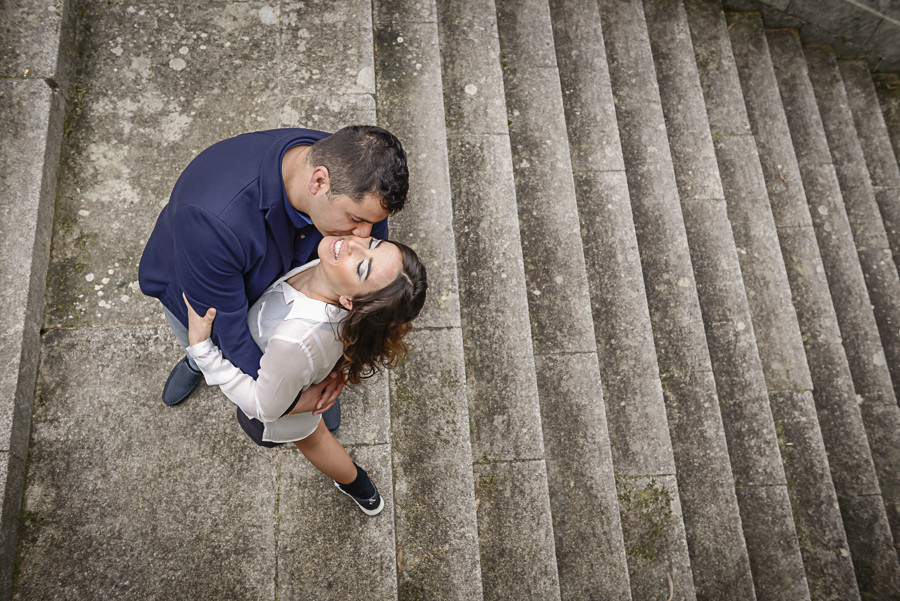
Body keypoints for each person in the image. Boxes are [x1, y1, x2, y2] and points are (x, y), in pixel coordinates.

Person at [139, 126, 409, 432]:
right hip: (207, 298)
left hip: (287, 285)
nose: (364, 236)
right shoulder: (212, 223)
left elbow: (365, 286)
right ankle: (194, 362)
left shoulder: (358, 173)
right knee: (203, 339)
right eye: (356, 220)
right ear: (318, 181)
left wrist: (331, 368)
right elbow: (229, 332)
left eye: (371, 223)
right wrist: (288, 399)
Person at [183, 235, 427, 515]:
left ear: (350, 303)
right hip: (294, 373)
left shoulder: (294, 340)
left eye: (361, 268)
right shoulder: (334, 266)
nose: (352, 244)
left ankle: (360, 487)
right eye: (372, 243)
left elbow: (265, 407)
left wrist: (202, 350)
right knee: (317, 430)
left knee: (316, 439)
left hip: (282, 396)